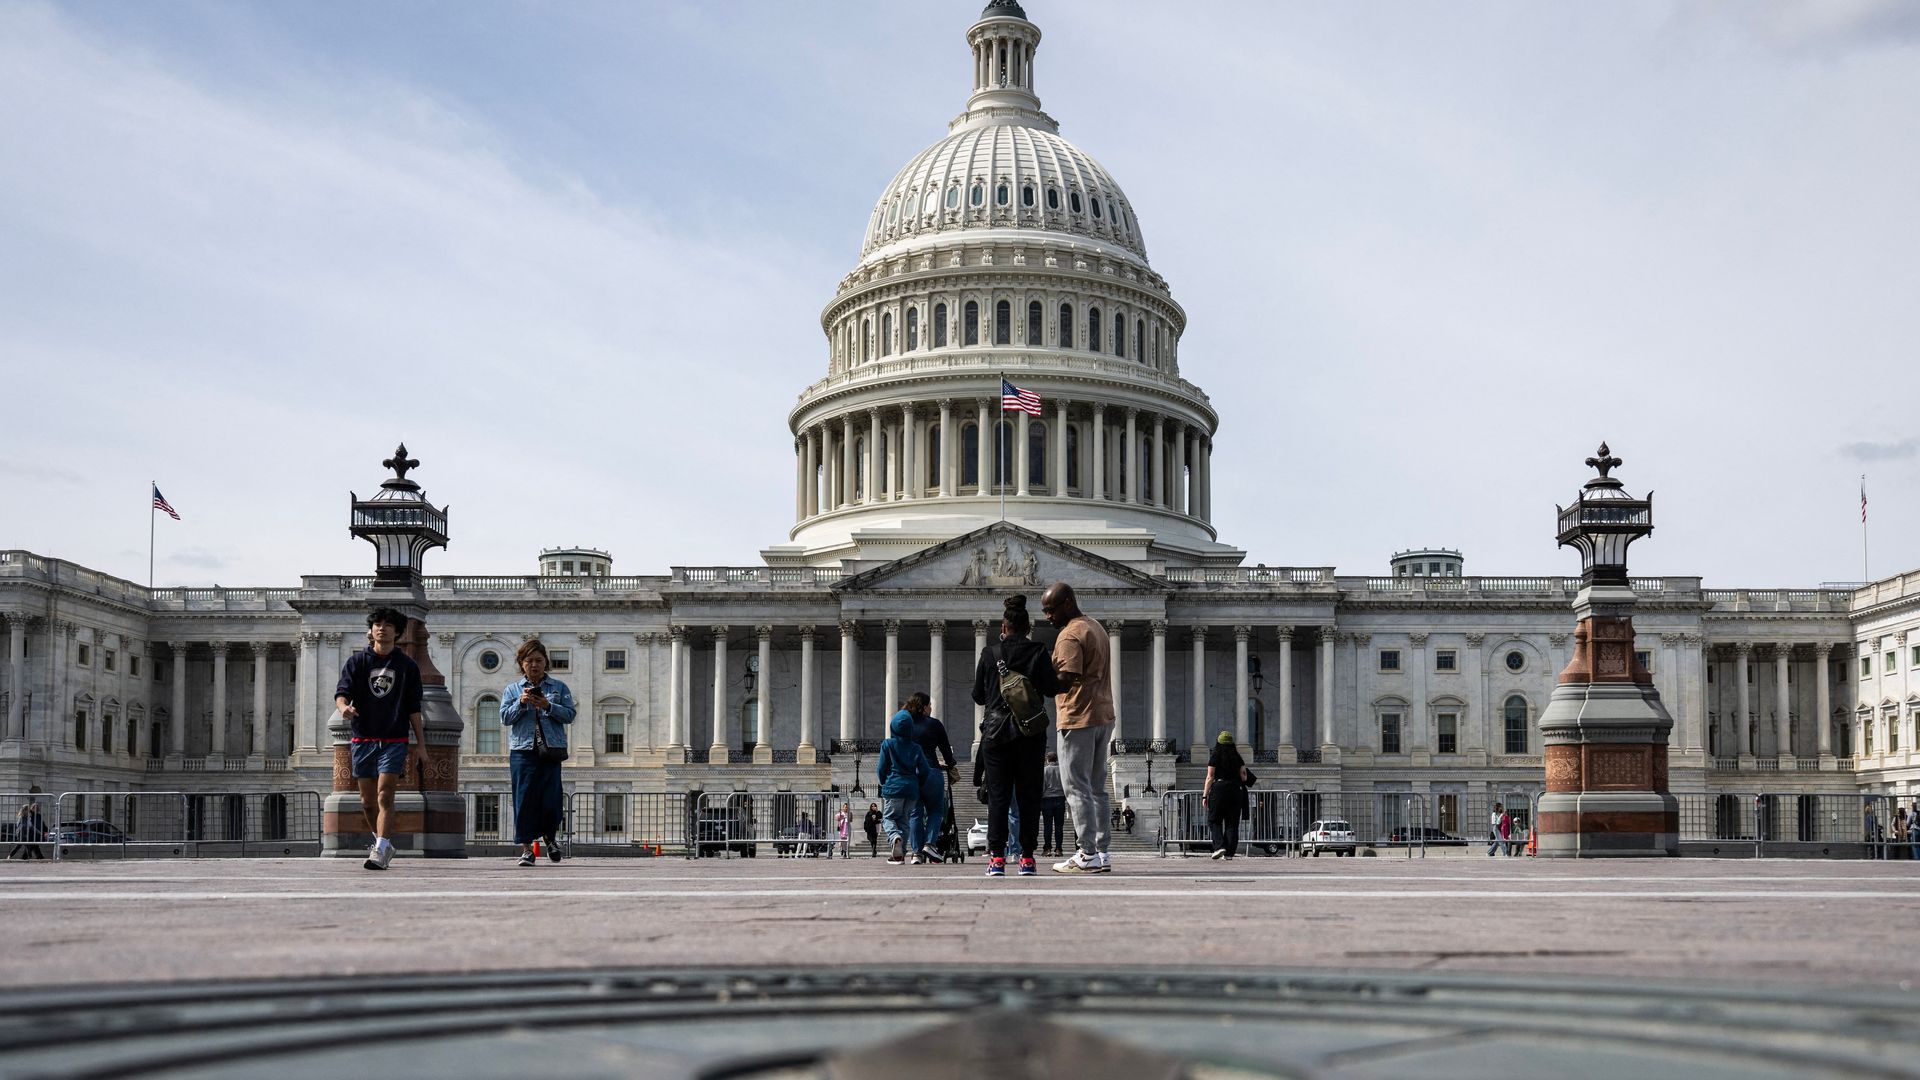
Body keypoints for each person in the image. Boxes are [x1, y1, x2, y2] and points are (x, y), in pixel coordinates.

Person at [972, 593, 1061, 877]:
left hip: (996, 734)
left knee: (998, 798)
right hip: (1030, 734)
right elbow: (1050, 688)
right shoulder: (1038, 651)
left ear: (1004, 626)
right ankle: (1027, 858)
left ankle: (997, 858)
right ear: (1027, 627)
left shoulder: (989, 654)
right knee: (1028, 798)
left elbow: (977, 696)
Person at [334, 607, 426, 871]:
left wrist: (421, 746)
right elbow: (342, 693)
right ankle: (381, 843)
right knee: (367, 801)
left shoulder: (407, 665)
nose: (381, 628)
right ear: (371, 629)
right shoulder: (357, 662)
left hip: (394, 739)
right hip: (363, 738)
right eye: (377, 624)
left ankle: (381, 849)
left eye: (388, 625)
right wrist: (344, 709)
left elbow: (414, 709)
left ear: (397, 633)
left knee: (385, 795)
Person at [1040, 582, 1114, 874]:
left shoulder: (1070, 635)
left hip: (1077, 716)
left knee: (1076, 787)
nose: (1047, 616)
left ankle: (1086, 852)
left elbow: (1066, 678)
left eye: (1051, 609)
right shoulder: (1095, 626)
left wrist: (1040, 681)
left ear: (1068, 603)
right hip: (1103, 714)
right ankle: (1102, 851)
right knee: (1097, 788)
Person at [500, 638, 575, 868]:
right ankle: (526, 849)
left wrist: (548, 706)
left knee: (551, 797)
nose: (534, 665)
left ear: (546, 663)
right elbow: (504, 718)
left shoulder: (559, 688)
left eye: (539, 660)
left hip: (550, 750)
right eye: (529, 660)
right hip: (523, 750)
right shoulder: (512, 689)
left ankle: (550, 839)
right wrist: (521, 704)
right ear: (521, 664)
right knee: (523, 799)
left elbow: (570, 715)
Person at [905, 692, 957, 864]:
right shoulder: (934, 725)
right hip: (931, 770)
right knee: (936, 810)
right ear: (925, 707)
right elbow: (945, 749)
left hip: (912, 772)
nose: (931, 708)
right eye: (930, 705)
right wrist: (950, 764)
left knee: (915, 813)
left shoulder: (906, 724)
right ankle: (930, 843)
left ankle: (916, 853)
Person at [876, 708, 928, 864]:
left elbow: (881, 768)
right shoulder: (916, 747)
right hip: (911, 789)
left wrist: (884, 781)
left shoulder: (888, 744)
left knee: (888, 818)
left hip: (894, 787)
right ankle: (900, 854)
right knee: (904, 820)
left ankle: (894, 838)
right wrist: (919, 782)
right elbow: (924, 769)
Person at [1203, 732, 1247, 859]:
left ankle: (1219, 846)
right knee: (1232, 823)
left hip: (1219, 789)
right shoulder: (1238, 758)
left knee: (1214, 820)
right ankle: (1229, 853)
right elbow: (1244, 777)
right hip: (1235, 790)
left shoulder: (1215, 756)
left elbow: (1210, 777)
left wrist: (1205, 796)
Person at [1040, 751, 1066, 857]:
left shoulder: (1045, 770)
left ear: (1047, 759)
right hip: (1060, 798)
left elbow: (1042, 787)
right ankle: (1059, 848)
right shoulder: (1062, 770)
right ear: (1056, 759)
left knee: (1048, 826)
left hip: (1047, 799)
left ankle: (1047, 848)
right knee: (1059, 826)